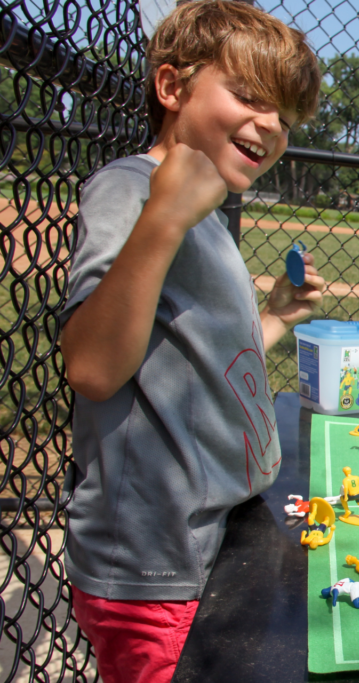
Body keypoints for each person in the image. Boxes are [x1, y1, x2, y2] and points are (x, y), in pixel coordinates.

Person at [58, 3, 323, 682]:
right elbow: (90, 367)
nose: (269, 126)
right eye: (249, 97)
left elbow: (201, 360)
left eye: (286, 120)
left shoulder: (203, 215)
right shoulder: (131, 190)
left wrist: (274, 318)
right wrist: (163, 217)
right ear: (172, 88)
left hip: (211, 537)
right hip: (154, 564)